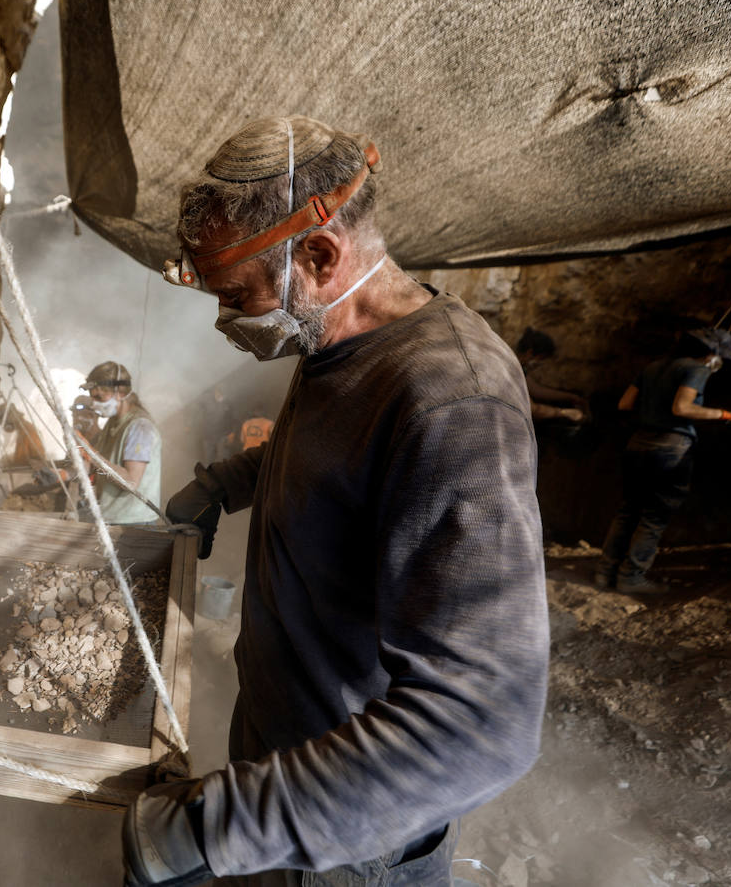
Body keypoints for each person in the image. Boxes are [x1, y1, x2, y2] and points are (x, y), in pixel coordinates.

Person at [121, 117, 548, 887]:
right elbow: (330, 459)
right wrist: (223, 485)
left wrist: (214, 828)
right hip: (282, 778)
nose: (227, 320)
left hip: (347, 848)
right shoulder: (332, 341)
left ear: (318, 254)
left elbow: (483, 724)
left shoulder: (453, 398)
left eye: (236, 295)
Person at [594, 327, 731, 594]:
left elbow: (625, 404)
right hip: (670, 449)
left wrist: (653, 410)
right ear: (711, 353)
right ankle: (631, 577)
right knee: (654, 516)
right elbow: (682, 408)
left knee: (628, 510)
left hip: (637, 443)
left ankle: (605, 573)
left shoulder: (653, 367)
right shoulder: (698, 369)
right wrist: (723, 414)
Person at [83, 361, 161, 525]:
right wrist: (59, 475)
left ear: (119, 392)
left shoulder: (140, 427)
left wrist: (89, 452)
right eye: (93, 397)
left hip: (133, 523)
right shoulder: (113, 423)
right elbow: (96, 465)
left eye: (99, 397)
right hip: (111, 517)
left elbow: (130, 481)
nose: (95, 403)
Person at [513, 327, 588, 423]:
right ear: (530, 353)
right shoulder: (510, 370)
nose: (540, 364)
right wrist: (563, 412)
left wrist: (571, 397)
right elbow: (533, 410)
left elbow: (537, 390)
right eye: (540, 359)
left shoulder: (519, 369)